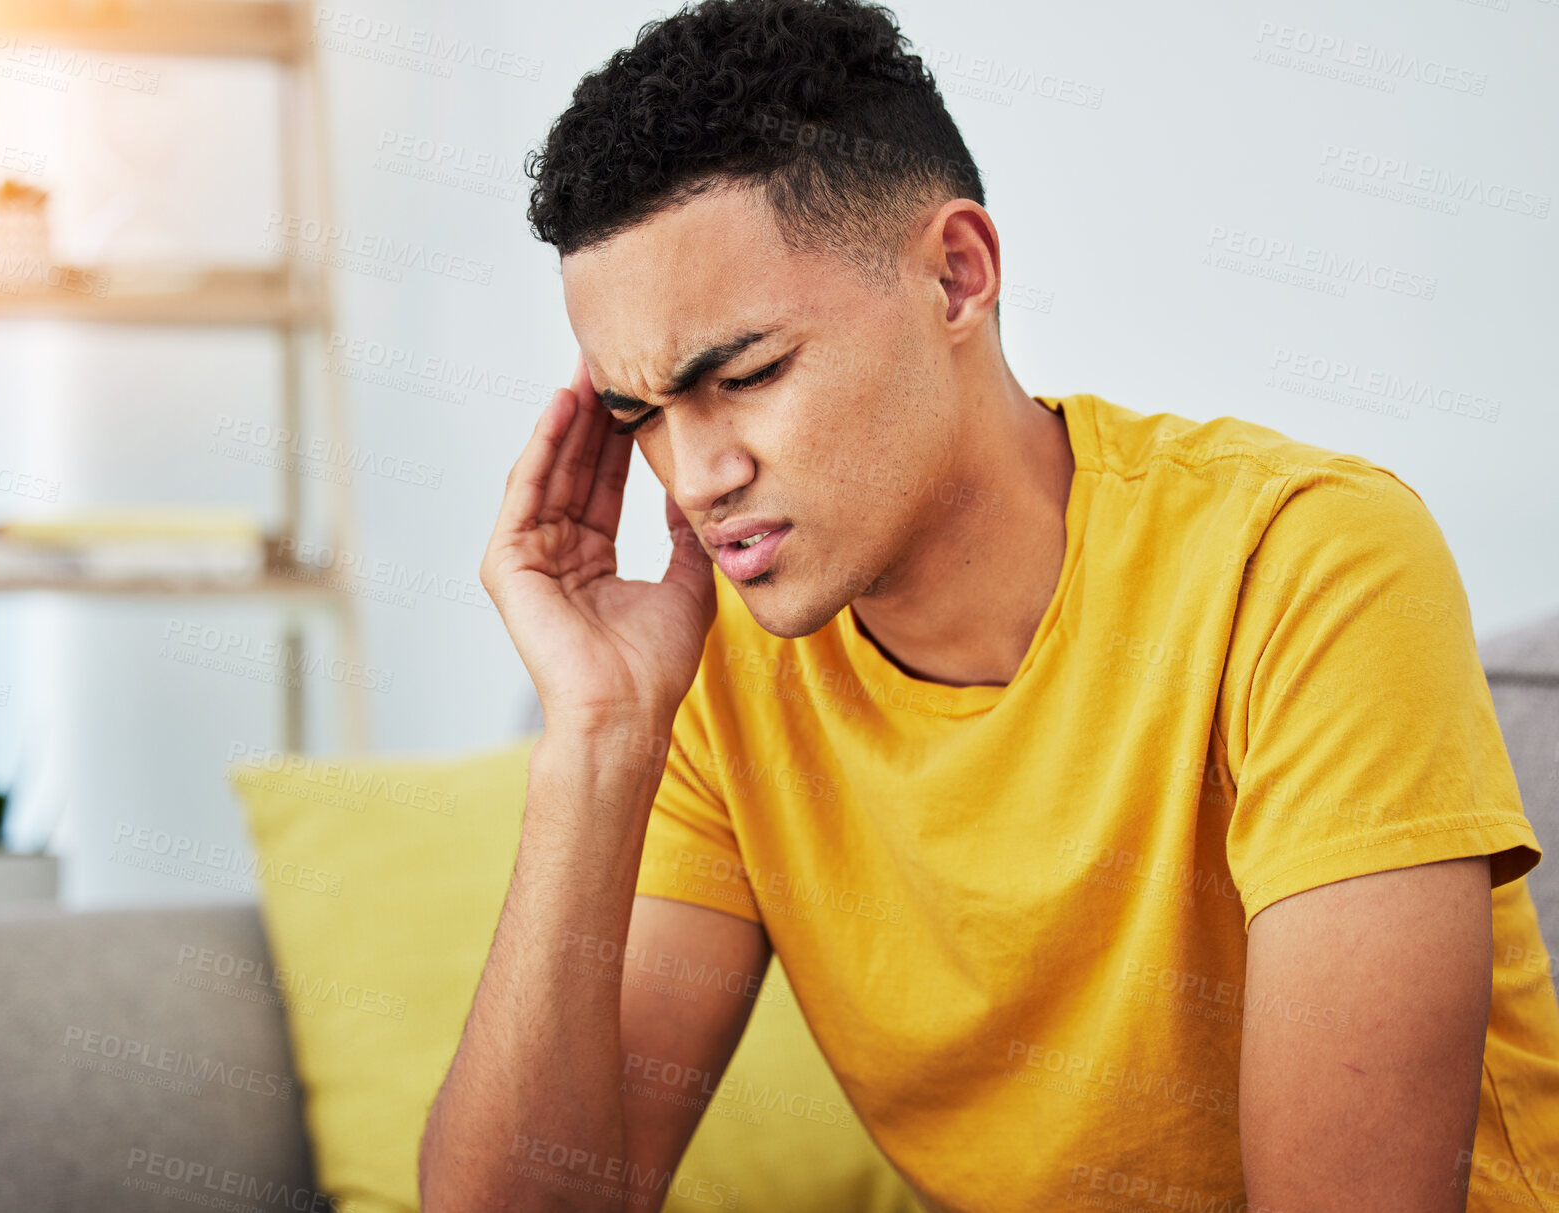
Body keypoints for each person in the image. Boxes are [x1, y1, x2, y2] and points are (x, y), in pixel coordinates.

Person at [420, 1, 1559, 1209]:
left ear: (956, 276)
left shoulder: (1303, 564)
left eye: (746, 375)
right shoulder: (722, 670)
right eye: (640, 415)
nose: (695, 479)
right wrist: (597, 735)